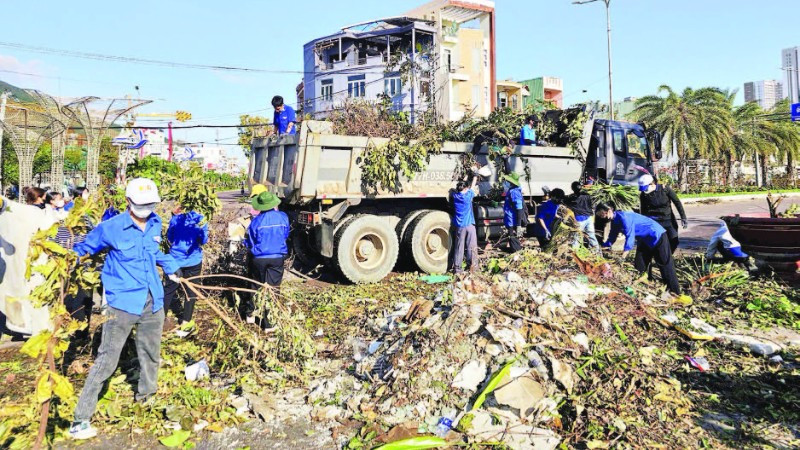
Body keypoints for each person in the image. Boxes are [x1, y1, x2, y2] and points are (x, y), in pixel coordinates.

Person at [68, 178, 180, 440]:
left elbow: (151, 252)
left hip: (153, 300)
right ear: (128, 202)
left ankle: (146, 398)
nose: (146, 208)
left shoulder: (155, 222)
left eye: (151, 204)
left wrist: (170, 264)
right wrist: (65, 259)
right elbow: (84, 247)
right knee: (107, 359)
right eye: (141, 204)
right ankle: (80, 419)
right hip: (122, 303)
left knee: (151, 353)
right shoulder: (111, 228)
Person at [596, 203, 680, 294]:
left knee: (665, 264)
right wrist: (603, 247)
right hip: (644, 240)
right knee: (639, 265)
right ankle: (644, 287)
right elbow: (612, 236)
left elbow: (630, 237)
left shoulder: (624, 218)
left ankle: (675, 292)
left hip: (656, 235)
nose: (601, 216)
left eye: (601, 213)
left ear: (609, 211)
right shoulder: (615, 221)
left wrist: (623, 257)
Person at [243, 191, 290, 323]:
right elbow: (285, 235)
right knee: (273, 289)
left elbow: (250, 241)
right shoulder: (283, 217)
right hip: (277, 257)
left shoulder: (256, 222)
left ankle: (250, 314)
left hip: (259, 258)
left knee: (255, 285)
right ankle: (269, 324)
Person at [162, 206, 209, 332]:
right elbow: (203, 240)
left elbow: (170, 238)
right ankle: (186, 322)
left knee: (169, 290)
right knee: (191, 291)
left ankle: (161, 320)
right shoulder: (201, 220)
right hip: (193, 261)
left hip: (175, 261)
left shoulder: (176, 219)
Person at [638, 174, 686, 253]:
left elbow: (677, 202)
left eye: (646, 188)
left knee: (674, 241)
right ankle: (661, 260)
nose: (645, 191)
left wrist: (683, 217)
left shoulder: (665, 189)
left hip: (669, 220)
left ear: (652, 184)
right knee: (657, 243)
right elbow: (643, 210)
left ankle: (668, 257)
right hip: (654, 222)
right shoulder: (643, 195)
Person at [450, 174, 478, 273]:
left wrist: (466, 177)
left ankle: (457, 269)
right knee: (471, 247)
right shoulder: (468, 197)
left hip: (459, 227)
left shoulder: (455, 196)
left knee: (459, 247)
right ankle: (473, 267)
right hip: (469, 226)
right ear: (466, 188)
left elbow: (461, 186)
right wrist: (475, 175)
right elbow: (473, 186)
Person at [566, 181, 600, 251]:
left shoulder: (572, 198)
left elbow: (566, 203)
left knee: (576, 237)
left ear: (572, 188)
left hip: (579, 220)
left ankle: (575, 254)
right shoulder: (587, 195)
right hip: (589, 218)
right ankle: (597, 252)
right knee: (591, 236)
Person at [503, 172, 525, 253]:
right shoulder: (512, 190)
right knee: (512, 238)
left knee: (512, 238)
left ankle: (517, 255)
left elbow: (519, 209)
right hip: (510, 219)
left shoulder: (514, 192)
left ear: (511, 182)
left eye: (507, 181)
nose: (506, 182)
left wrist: (518, 225)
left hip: (512, 220)